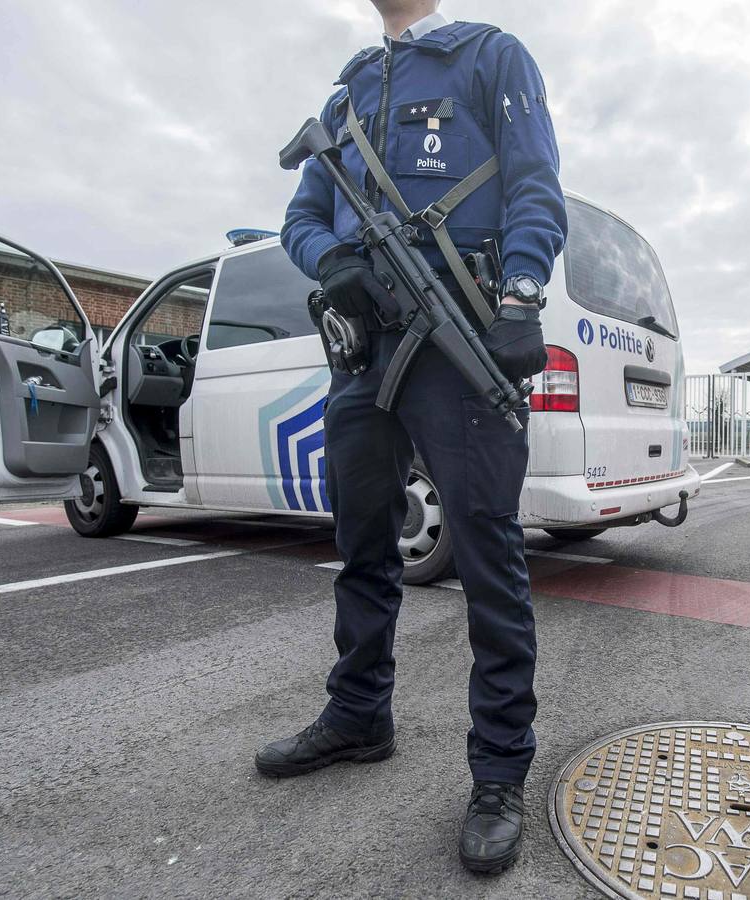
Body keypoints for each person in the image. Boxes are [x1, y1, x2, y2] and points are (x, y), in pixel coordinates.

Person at [258, 0, 566, 875]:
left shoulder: (489, 58)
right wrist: (334, 264)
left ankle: (500, 772)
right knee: (362, 541)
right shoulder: (350, 92)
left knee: (487, 555)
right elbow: (300, 217)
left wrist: (520, 296)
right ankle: (359, 715)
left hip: (458, 335)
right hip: (366, 352)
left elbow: (536, 184)